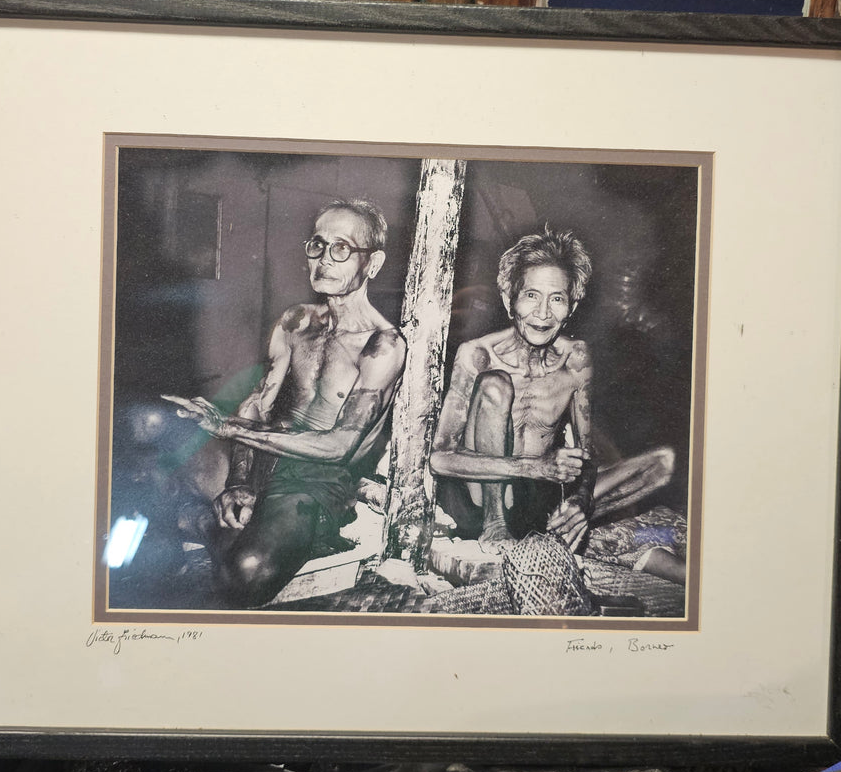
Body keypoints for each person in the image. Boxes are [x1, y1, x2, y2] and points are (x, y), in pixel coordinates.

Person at [166, 199, 406, 607]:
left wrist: (230, 430)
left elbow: (338, 446)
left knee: (246, 573)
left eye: (342, 248)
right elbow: (257, 404)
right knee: (155, 437)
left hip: (314, 480)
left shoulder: (383, 346)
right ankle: (230, 515)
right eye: (317, 244)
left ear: (374, 263)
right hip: (259, 457)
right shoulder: (296, 321)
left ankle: (203, 524)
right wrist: (239, 481)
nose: (324, 260)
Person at [429, 228, 685, 584]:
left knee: (662, 463)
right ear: (509, 300)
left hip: (540, 498)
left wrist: (581, 502)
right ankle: (497, 526)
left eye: (557, 299)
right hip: (481, 499)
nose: (542, 313)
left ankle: (565, 524)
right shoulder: (478, 354)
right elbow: (440, 458)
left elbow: (584, 455)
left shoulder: (575, 358)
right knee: (496, 385)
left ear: (572, 306)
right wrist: (535, 468)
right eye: (531, 295)